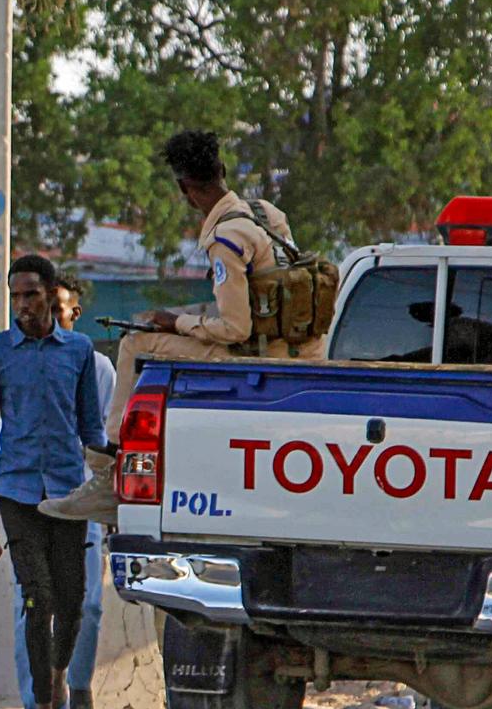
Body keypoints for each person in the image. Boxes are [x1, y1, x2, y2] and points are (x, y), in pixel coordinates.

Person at [39, 129, 319, 524]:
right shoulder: (265, 214)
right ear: (221, 170)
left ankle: (109, 464)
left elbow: (235, 329)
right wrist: (180, 324)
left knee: (136, 342)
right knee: (154, 326)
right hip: (295, 348)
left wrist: (177, 322)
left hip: (253, 353)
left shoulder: (226, 238)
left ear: (185, 189)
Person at [0, 254, 107, 709]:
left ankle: (58, 674)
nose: (22, 305)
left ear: (51, 295)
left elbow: (92, 428)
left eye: (31, 294)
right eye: (15, 296)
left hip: (69, 492)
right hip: (17, 491)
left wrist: (108, 492)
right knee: (37, 597)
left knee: (73, 602)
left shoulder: (80, 352)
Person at [8, 275, 115, 709]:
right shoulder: (12, 359)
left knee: (86, 603)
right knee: (30, 602)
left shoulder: (97, 368)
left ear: (75, 314)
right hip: (29, 494)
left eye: (62, 308)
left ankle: (78, 682)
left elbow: (100, 438)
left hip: (79, 496)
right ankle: (37, 705)